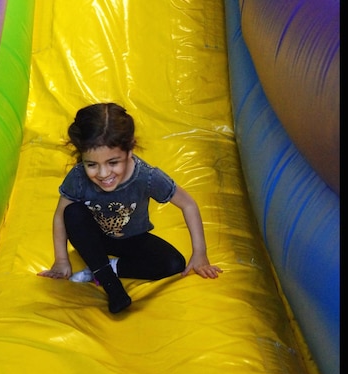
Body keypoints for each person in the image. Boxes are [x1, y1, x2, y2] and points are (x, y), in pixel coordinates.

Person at [38, 103, 222, 313]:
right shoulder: (79, 177)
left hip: (133, 238)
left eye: (113, 162)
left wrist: (200, 252)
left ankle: (106, 269)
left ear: (129, 150)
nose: (103, 173)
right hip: (94, 239)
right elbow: (61, 216)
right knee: (72, 212)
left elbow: (187, 203)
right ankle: (109, 283)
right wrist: (61, 260)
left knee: (174, 263)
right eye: (92, 165)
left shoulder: (147, 177)